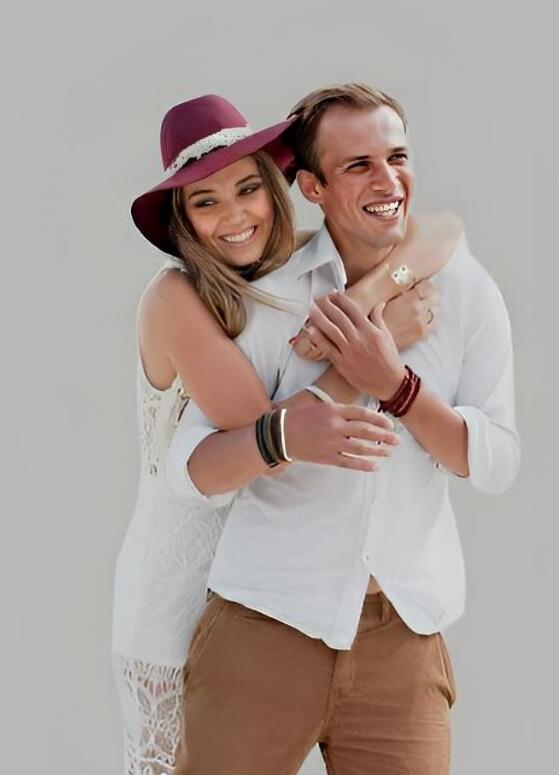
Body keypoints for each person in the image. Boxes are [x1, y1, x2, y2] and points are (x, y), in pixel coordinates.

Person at [166, 84, 521, 775]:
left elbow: (496, 463)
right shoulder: (270, 298)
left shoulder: (467, 293)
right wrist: (284, 434)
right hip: (262, 628)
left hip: (402, 641)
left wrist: (397, 385)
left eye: (397, 157)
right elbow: (193, 467)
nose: (387, 180)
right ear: (312, 187)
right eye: (358, 164)